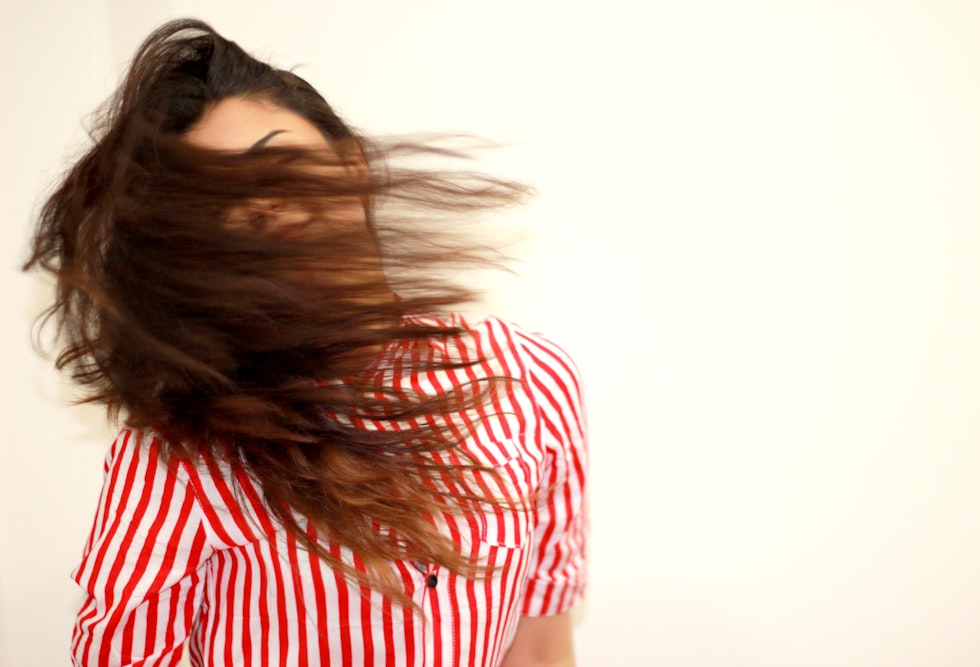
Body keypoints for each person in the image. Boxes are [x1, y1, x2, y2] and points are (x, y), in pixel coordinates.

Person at [25, 18, 587, 667]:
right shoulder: (182, 447)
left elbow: (540, 640)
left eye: (278, 161)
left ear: (352, 165)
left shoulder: (533, 379)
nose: (264, 206)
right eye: (225, 204)